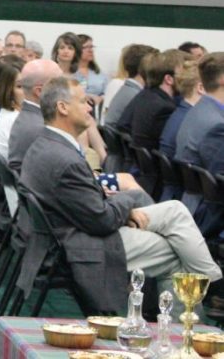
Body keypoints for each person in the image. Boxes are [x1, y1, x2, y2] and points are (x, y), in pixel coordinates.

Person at [18, 76, 222, 313]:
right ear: (62, 107)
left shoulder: (45, 144)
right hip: (80, 244)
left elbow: (88, 207)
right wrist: (127, 200)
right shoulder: (63, 158)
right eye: (83, 102)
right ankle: (187, 325)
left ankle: (208, 279)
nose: (89, 106)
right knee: (174, 251)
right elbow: (101, 220)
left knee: (175, 210)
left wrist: (123, 205)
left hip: (71, 231)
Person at [8, 58, 65, 173]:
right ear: (39, 91)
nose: (67, 88)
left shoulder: (28, 117)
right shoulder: (42, 128)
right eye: (61, 83)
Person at [0, 58, 26, 159]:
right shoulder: (15, 120)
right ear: (9, 90)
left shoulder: (6, 113)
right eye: (20, 86)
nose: (27, 90)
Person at [76, 33, 107, 106]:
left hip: (96, 111)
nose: (90, 50)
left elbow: (108, 92)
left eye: (91, 47)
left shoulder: (98, 73)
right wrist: (86, 96)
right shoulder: (69, 72)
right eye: (86, 47)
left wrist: (102, 98)